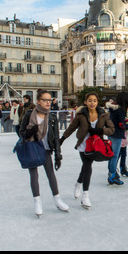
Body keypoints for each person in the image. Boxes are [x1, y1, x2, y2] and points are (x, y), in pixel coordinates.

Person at [60, 92, 114, 209]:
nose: (92, 103)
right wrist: (62, 139)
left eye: (94, 100)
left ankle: (78, 184)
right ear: (85, 102)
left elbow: (111, 129)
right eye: (90, 100)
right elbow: (71, 128)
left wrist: (100, 130)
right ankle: (85, 195)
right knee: (87, 165)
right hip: (84, 144)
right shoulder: (80, 115)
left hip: (96, 145)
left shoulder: (103, 115)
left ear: (97, 102)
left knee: (85, 167)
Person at [20, 89, 69, 217]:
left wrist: (58, 155)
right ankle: (37, 201)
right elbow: (21, 133)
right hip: (32, 148)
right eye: (44, 100)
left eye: (49, 100)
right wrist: (30, 132)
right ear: (38, 101)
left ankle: (57, 199)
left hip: (46, 149)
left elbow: (56, 138)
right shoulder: (30, 114)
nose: (48, 102)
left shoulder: (52, 117)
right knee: (34, 175)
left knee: (50, 174)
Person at [106, 92, 128, 186]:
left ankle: (111, 174)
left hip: (111, 133)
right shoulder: (121, 110)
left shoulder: (114, 109)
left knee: (111, 155)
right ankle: (112, 176)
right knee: (114, 156)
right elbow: (121, 124)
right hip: (117, 135)